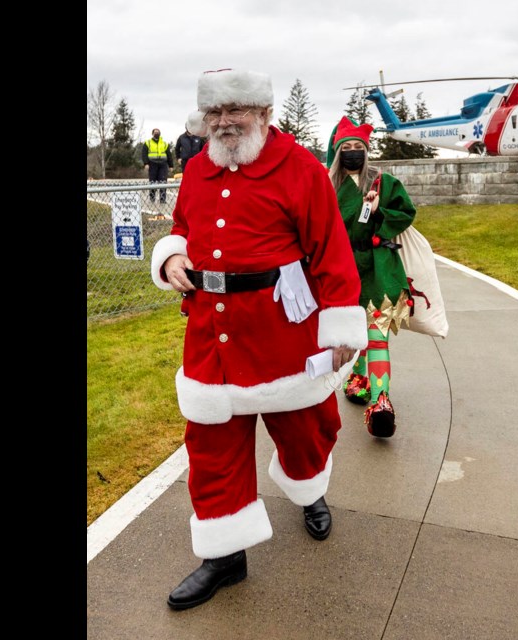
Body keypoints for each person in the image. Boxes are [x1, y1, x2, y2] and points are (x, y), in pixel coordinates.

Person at [149, 68, 367, 611]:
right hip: (211, 332)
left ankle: (308, 488)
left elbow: (331, 251)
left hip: (282, 331)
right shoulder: (196, 170)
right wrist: (174, 254)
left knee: (305, 431)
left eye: (235, 111)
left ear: (264, 114)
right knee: (210, 445)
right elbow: (182, 226)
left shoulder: (300, 170)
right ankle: (225, 556)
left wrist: (339, 326)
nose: (223, 123)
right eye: (214, 114)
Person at [327, 116, 417, 437]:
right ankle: (360, 378)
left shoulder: (384, 183)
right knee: (356, 335)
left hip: (379, 268)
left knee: (376, 335)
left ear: (367, 151)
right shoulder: (327, 187)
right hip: (342, 269)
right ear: (338, 153)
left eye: (358, 148)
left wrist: (379, 211)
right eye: (347, 148)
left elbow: (406, 213)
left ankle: (381, 403)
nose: (353, 153)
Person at [141, 128, 174, 203]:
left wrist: (171, 165)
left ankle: (163, 199)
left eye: (158, 132)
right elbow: (144, 154)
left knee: (163, 182)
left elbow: (169, 155)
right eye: (155, 132)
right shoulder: (147, 143)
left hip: (163, 165)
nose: (157, 133)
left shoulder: (164, 143)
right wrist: (146, 163)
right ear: (152, 133)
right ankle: (152, 199)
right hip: (152, 164)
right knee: (152, 182)